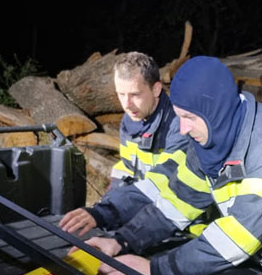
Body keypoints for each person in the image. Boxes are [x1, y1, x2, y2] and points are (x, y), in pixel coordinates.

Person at [77, 56, 262, 275]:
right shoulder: (211, 136)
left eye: (189, 118)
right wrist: (122, 241)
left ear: (214, 110)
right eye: (180, 116)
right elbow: (179, 202)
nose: (182, 129)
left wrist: (155, 270)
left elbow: (238, 238)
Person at [60, 52, 176, 236]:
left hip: (177, 221)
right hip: (142, 207)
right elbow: (127, 170)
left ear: (156, 89)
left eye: (135, 94)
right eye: (121, 94)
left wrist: (106, 212)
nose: (127, 104)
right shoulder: (131, 121)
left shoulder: (179, 126)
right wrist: (105, 206)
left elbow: (164, 183)